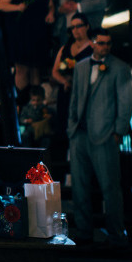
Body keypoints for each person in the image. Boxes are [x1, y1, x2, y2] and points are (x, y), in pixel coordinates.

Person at [68, 28, 132, 244]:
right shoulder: (80, 66)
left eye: (108, 43)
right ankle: (84, 230)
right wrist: (71, 127)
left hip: (105, 137)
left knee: (110, 188)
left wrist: (118, 132)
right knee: (79, 186)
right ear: (93, 43)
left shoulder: (120, 68)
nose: (105, 47)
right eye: (101, 43)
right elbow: (75, 98)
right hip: (79, 135)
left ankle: (116, 233)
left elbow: (126, 102)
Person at [0, 0, 55, 106]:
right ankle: (22, 101)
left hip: (39, 31)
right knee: (22, 68)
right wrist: (17, 7)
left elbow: (50, 4)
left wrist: (51, 13)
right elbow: (1, 5)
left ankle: (35, 102)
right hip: (21, 31)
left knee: (36, 68)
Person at [50, 13, 93, 162]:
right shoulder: (65, 48)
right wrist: (64, 81)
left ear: (87, 26)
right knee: (64, 125)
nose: (76, 30)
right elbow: (54, 71)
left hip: (83, 93)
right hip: (66, 92)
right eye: (72, 27)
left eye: (79, 26)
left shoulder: (93, 48)